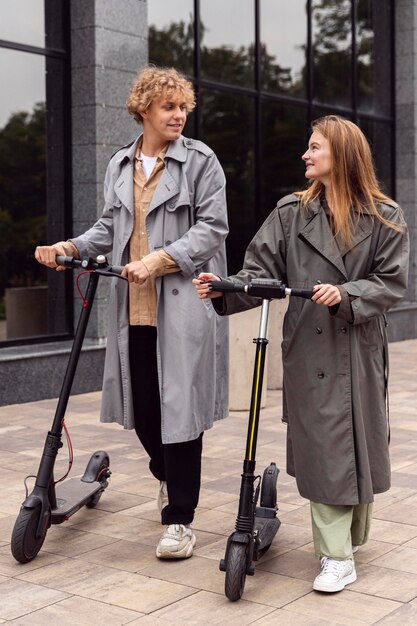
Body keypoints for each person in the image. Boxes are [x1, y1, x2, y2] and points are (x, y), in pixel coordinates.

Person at [193, 115, 409, 592]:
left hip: (357, 345)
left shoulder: (384, 215)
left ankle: (349, 541)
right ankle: (335, 556)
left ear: (342, 155)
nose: (305, 155)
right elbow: (260, 270)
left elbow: (391, 281)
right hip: (309, 348)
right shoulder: (291, 213)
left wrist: (348, 293)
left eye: (315, 147)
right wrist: (225, 289)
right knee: (325, 450)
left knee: (358, 443)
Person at [35, 65, 229, 559]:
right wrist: (69, 248)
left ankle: (180, 519)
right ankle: (169, 478)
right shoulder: (120, 164)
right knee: (144, 413)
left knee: (180, 415)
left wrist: (157, 261)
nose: (180, 115)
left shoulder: (202, 162)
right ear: (144, 109)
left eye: (184, 106)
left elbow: (212, 230)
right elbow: (107, 227)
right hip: (133, 310)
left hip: (182, 309)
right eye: (169, 107)